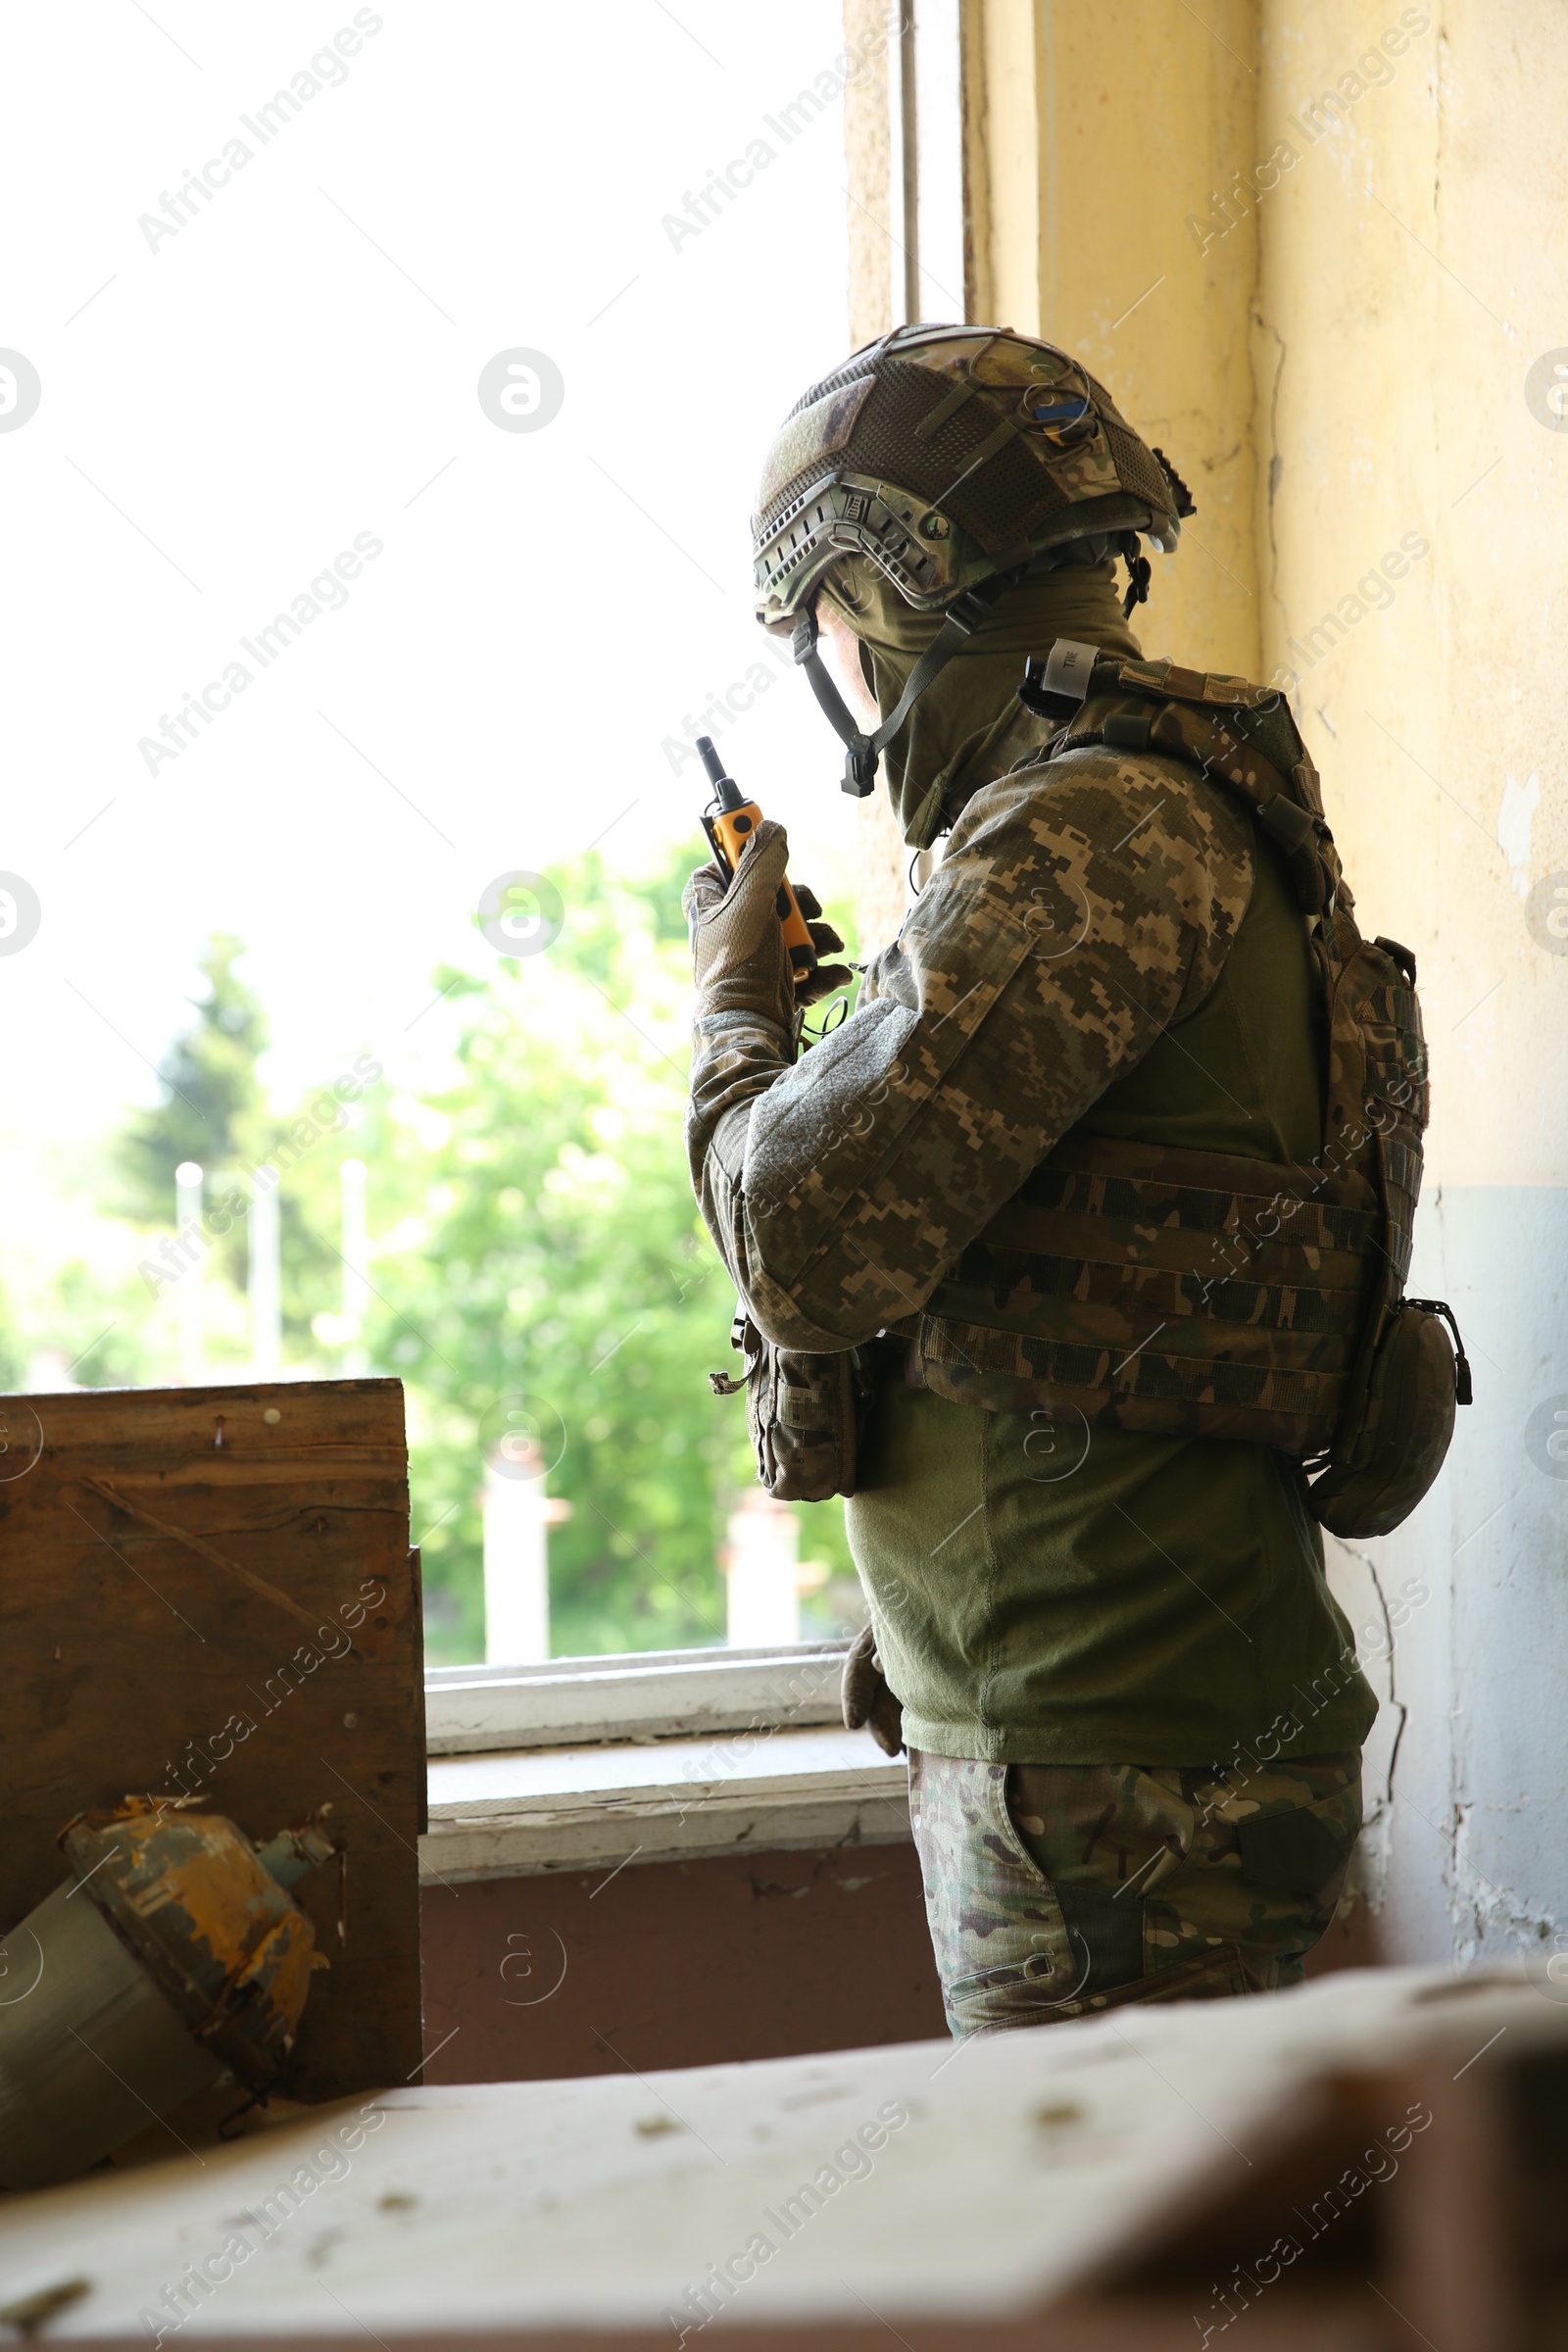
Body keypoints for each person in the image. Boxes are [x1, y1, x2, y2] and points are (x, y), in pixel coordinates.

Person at [683, 325, 1430, 2032]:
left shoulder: (1085, 835)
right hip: (1100, 1739)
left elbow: (797, 1242)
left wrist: (732, 1005)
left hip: (1114, 1765)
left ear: (876, 605)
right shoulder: (1117, 815)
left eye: (829, 631)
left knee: (1120, 2295)